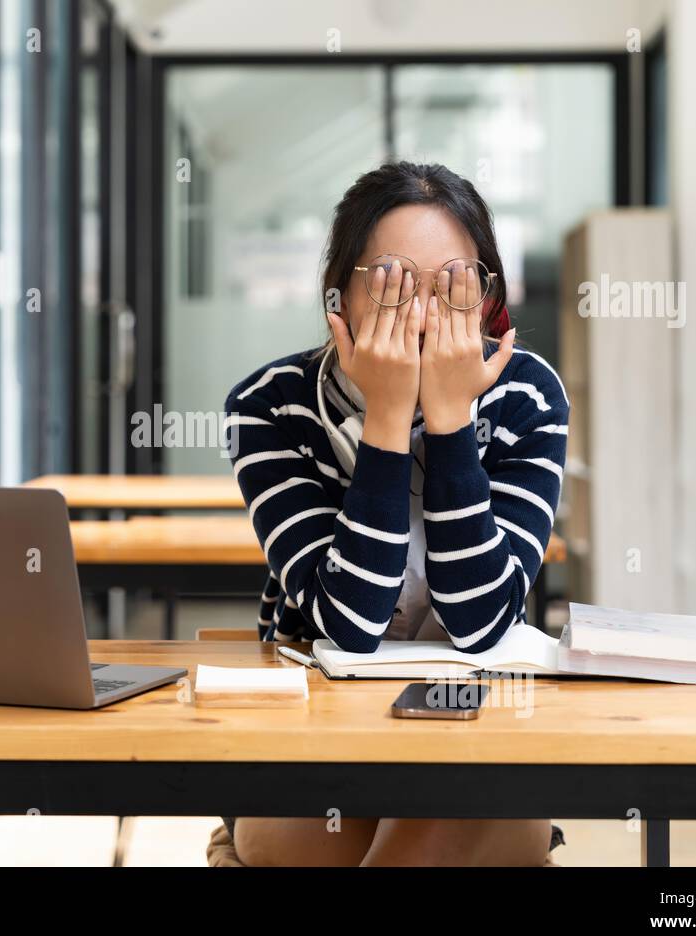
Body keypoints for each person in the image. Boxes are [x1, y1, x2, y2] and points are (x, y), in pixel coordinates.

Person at [220, 161, 568, 866]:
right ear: (339, 297)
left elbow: (480, 623)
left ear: (486, 299)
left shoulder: (528, 396)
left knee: (429, 839)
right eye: (391, 282)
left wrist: (447, 416)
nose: (422, 311)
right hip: (313, 732)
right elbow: (349, 627)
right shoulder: (267, 405)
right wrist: (385, 415)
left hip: (479, 726)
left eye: (453, 285)